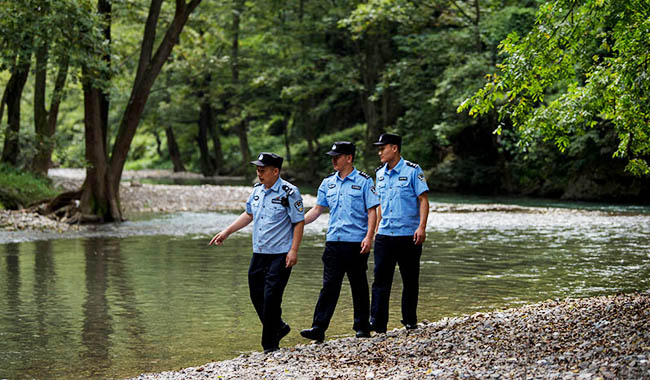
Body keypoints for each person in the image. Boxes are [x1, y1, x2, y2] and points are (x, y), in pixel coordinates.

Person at [209, 152, 305, 353]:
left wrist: (294, 250)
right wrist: (227, 232)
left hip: (281, 253)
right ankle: (278, 327)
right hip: (259, 252)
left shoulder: (289, 192)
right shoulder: (257, 191)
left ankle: (270, 345)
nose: (259, 174)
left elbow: (298, 222)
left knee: (271, 298)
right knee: (255, 294)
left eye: (263, 170)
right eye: (257, 170)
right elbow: (248, 214)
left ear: (275, 171)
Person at [299, 142, 379, 342]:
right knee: (329, 286)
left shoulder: (364, 182)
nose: (333, 159)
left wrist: (369, 237)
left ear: (349, 158)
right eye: (332, 156)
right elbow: (317, 209)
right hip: (333, 242)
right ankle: (318, 328)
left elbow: (372, 211)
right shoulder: (328, 183)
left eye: (338, 156)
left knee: (358, 285)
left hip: (356, 243)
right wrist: (298, 223)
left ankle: (361, 327)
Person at [370, 133, 429, 333]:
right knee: (380, 280)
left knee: (410, 279)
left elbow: (423, 200)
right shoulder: (379, 174)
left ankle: (410, 320)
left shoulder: (413, 170)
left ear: (394, 148)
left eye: (383, 148)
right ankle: (378, 324)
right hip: (385, 235)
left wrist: (421, 227)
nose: (380, 152)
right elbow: (379, 205)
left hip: (408, 235)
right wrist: (376, 230)